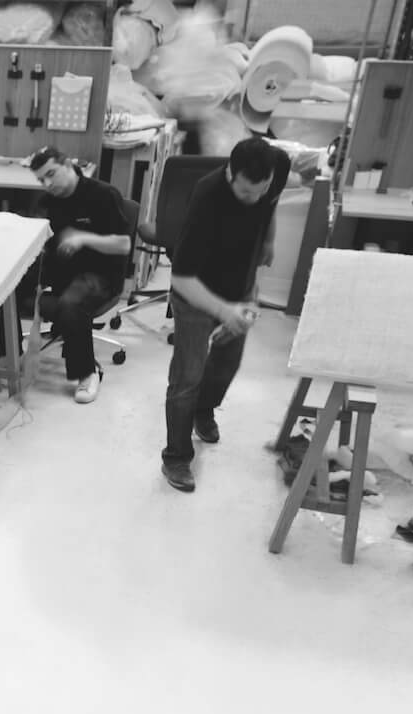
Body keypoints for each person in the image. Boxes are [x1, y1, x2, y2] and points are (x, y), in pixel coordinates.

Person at [159, 135, 290, 492]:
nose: (254, 199)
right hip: (197, 292)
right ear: (231, 174)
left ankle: (205, 410)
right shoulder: (207, 197)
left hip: (240, 286)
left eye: (259, 190)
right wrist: (224, 310)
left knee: (227, 363)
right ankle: (176, 457)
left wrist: (268, 241)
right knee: (188, 377)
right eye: (246, 192)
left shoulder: (276, 169)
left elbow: (272, 203)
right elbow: (182, 279)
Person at [0, 150, 130, 404]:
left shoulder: (103, 195)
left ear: (69, 165)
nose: (48, 184)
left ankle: (86, 373)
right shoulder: (46, 202)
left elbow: (123, 245)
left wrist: (84, 238)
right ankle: (5, 358)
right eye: (42, 180)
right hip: (59, 269)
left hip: (101, 274)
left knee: (71, 303)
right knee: (1, 286)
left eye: (51, 174)